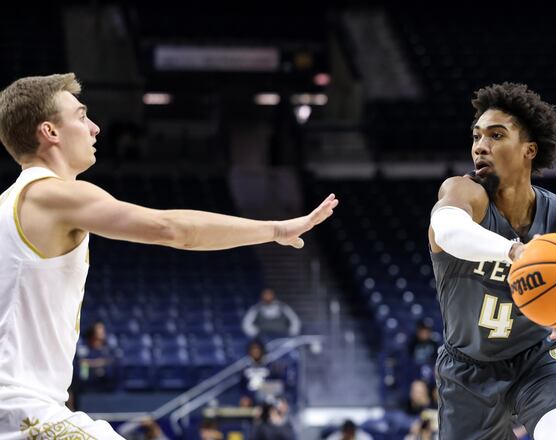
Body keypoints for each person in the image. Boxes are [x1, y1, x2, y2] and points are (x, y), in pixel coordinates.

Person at [0, 73, 338, 438]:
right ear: (50, 132)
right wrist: (275, 230)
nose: (95, 128)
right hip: (20, 408)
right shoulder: (52, 195)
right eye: (81, 117)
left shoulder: (10, 203)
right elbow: (173, 229)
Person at [428, 82, 556, 439]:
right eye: (476, 136)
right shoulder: (463, 192)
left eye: (496, 135)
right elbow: (447, 230)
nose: (480, 146)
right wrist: (515, 251)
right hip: (467, 369)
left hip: (537, 357)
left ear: (529, 150)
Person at [75, 320, 117, 392]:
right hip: (87, 381)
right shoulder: (84, 346)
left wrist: (92, 363)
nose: (102, 331)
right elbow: (82, 362)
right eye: (99, 329)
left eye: (103, 329)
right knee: (83, 368)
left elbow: (111, 360)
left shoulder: (107, 347)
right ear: (93, 331)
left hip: (105, 381)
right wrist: (100, 362)